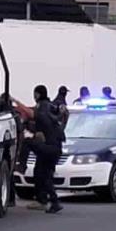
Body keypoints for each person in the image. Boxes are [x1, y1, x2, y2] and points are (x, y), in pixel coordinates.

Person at [31, 85, 64, 214]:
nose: (34, 97)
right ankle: (46, 200)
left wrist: (36, 132)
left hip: (49, 147)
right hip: (55, 146)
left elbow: (41, 124)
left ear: (38, 94)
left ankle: (51, 201)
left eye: (35, 94)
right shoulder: (51, 107)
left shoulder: (41, 110)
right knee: (44, 173)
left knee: (43, 174)